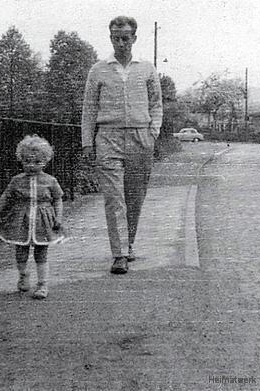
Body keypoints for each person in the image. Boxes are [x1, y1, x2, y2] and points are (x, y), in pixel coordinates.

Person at [82, 16, 163, 274]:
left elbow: (157, 104)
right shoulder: (98, 70)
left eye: (125, 37)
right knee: (114, 198)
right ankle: (119, 255)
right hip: (108, 138)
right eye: (116, 37)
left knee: (134, 197)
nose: (121, 42)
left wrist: (153, 132)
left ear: (134, 38)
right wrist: (87, 142)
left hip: (140, 138)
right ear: (110, 38)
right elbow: (89, 109)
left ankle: (129, 245)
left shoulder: (147, 69)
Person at [0, 135, 64, 299]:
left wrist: (58, 217)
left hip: (43, 222)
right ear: (21, 160)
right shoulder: (16, 181)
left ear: (45, 161)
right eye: (27, 161)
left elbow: (58, 199)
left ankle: (42, 284)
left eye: (37, 162)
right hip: (21, 221)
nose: (31, 166)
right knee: (21, 250)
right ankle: (23, 275)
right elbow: (6, 197)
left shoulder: (50, 181)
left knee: (41, 252)